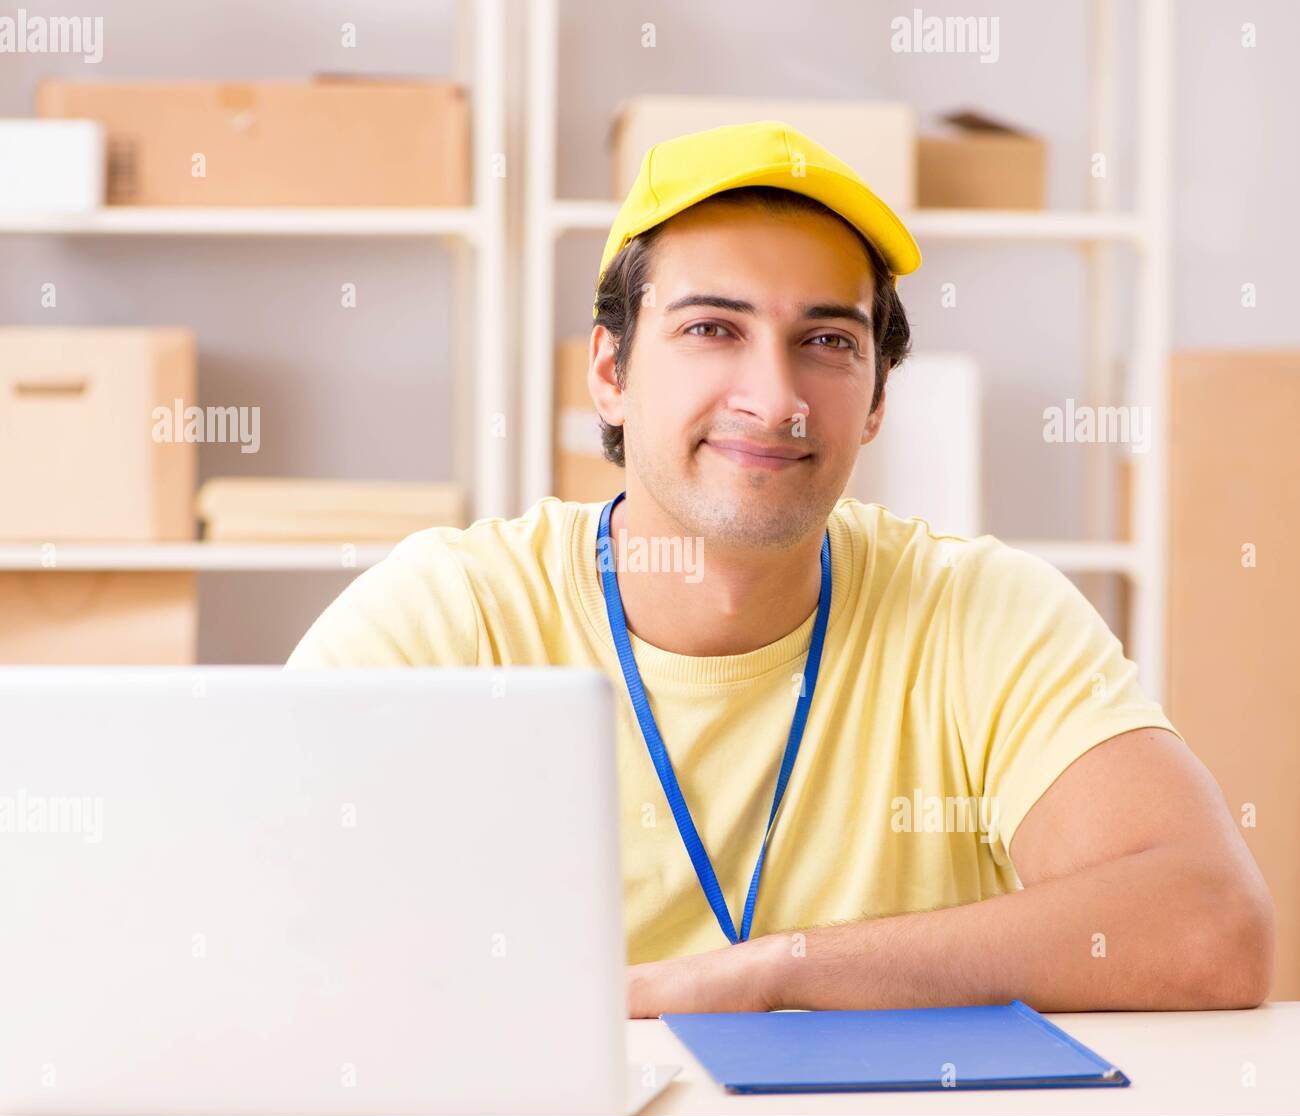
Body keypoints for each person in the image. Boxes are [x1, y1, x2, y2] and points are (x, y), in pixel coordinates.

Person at [287, 121, 1274, 1018]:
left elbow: (1212, 930)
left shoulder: (977, 610)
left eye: (826, 342)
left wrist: (775, 969)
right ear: (610, 372)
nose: (773, 396)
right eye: (712, 328)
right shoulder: (451, 617)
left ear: (878, 399)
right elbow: (248, 919)